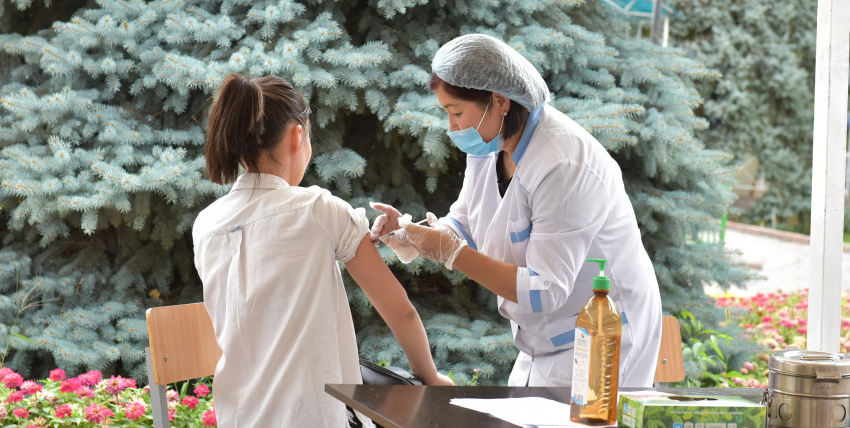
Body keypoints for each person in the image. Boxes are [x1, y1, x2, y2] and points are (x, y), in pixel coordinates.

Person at [370, 34, 662, 388]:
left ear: (499, 100)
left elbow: (546, 289)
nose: (452, 127)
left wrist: (451, 253)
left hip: (605, 334)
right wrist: (413, 235)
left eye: (456, 112)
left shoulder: (563, 164)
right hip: (545, 337)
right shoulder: (488, 145)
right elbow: (465, 222)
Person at [193, 73, 452, 427]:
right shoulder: (318, 208)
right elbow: (400, 311)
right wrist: (432, 379)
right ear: (297, 136)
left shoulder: (206, 225)